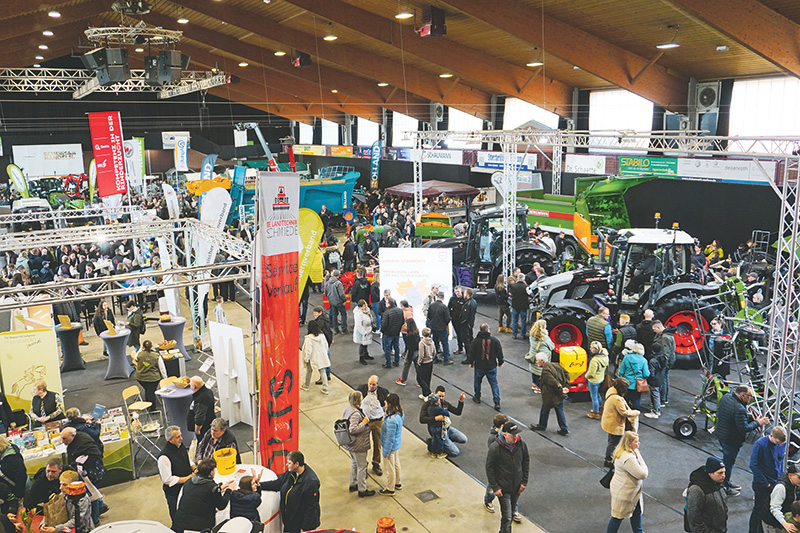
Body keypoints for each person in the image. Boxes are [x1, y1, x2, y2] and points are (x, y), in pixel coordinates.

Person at [715, 385, 769, 496]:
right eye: (749, 396)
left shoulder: (726, 397)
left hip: (722, 434)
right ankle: (725, 487)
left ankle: (726, 482)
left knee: (726, 461)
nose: (750, 399)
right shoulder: (739, 408)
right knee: (728, 464)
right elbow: (744, 428)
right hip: (731, 440)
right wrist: (758, 423)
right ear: (742, 395)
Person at [258, 451, 321, 533]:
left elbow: (311, 508)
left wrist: (305, 528)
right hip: (291, 521)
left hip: (300, 525)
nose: (286, 465)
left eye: (289, 463)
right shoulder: (291, 473)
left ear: (297, 464)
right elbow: (278, 483)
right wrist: (260, 485)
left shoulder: (311, 482)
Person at [486, 421, 529, 533]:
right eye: (513, 435)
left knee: (509, 515)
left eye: (516, 434)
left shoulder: (521, 444)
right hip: (503, 488)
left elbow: (526, 462)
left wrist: (524, 482)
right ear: (505, 434)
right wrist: (495, 487)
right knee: (507, 517)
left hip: (517, 486)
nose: (516, 437)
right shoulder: (495, 448)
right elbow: (489, 468)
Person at [171, 458, 236, 533]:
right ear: (211, 472)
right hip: (199, 527)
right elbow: (221, 505)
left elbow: (201, 493)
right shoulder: (212, 488)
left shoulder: (189, 482)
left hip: (179, 524)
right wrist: (229, 490)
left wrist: (220, 488)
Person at [607, 431, 648, 533]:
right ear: (629, 443)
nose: (639, 443)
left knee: (636, 513)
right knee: (617, 517)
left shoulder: (621, 450)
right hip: (625, 494)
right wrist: (638, 454)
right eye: (636, 441)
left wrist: (636, 451)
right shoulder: (628, 458)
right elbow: (643, 474)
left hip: (631, 493)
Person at [749, 426, 788, 533]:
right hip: (763, 484)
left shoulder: (782, 443)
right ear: (771, 435)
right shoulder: (760, 444)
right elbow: (753, 465)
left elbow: (780, 461)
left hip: (776, 481)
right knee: (758, 511)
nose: (780, 445)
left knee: (769, 510)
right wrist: (766, 483)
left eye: (781, 443)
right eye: (777, 442)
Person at [158, 425, 195, 521]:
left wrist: (195, 468)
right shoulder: (164, 457)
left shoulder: (180, 445)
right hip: (174, 492)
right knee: (177, 517)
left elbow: (188, 460)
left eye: (180, 435)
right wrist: (188, 478)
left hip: (187, 487)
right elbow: (167, 480)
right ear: (170, 440)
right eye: (178, 437)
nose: (181, 438)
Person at [341, 391, 374, 497]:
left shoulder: (348, 409)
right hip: (358, 444)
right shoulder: (355, 413)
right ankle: (362, 489)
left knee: (354, 463)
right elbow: (352, 429)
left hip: (351, 444)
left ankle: (353, 483)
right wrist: (364, 423)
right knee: (362, 466)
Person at [601, 377, 639, 468]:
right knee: (613, 443)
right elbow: (624, 412)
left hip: (609, 421)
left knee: (611, 441)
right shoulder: (617, 399)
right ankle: (608, 459)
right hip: (615, 424)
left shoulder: (611, 391)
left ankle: (609, 456)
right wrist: (635, 412)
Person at [419, 386, 468, 456]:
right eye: (439, 396)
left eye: (442, 396)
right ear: (434, 394)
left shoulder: (444, 403)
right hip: (437, 431)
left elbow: (457, 412)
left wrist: (460, 401)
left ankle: (444, 441)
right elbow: (422, 419)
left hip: (447, 428)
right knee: (455, 452)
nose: (441, 398)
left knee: (464, 439)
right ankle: (433, 445)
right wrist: (435, 418)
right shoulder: (427, 405)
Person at [530, 353, 571, 436]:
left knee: (545, 409)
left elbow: (553, 382)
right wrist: (566, 386)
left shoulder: (545, 371)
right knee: (559, 410)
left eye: (537, 361)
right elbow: (566, 373)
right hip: (559, 396)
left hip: (551, 396)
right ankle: (564, 428)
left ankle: (542, 425)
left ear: (542, 361)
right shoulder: (555, 364)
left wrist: (560, 389)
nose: (536, 362)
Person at [685, 456, 729, 533]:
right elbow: (694, 518)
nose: (724, 475)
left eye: (724, 472)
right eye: (720, 473)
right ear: (710, 473)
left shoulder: (718, 483)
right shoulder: (697, 490)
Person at [357, 376, 389, 476]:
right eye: (370, 384)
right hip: (365, 421)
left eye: (373, 384)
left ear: (377, 385)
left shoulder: (383, 392)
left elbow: (388, 404)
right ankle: (364, 466)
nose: (371, 386)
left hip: (378, 421)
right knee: (363, 445)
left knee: (377, 443)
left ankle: (376, 464)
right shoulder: (361, 389)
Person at [469, 323, 504, 411]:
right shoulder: (494, 340)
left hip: (479, 366)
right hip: (491, 366)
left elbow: (471, 353)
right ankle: (497, 402)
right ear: (488, 330)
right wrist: (500, 362)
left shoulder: (475, 341)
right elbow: (499, 352)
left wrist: (471, 362)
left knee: (477, 381)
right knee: (494, 384)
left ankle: (477, 397)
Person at [379, 393, 404, 496]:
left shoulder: (391, 420)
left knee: (390, 468)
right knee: (396, 464)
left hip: (390, 447)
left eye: (386, 401)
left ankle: (390, 488)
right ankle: (398, 483)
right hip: (396, 445)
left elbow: (390, 438)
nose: (384, 402)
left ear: (389, 404)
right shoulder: (400, 413)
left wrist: (385, 452)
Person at [764, 463, 800, 532]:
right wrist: (785, 524)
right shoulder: (781, 488)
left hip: (783, 516)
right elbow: (774, 508)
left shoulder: (795, 484)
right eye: (799, 478)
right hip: (772, 523)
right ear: (790, 475)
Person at [300, 321, 330, 395]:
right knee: (322, 371)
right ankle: (325, 388)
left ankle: (306, 385)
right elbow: (326, 345)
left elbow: (308, 350)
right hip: (321, 356)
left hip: (312, 358)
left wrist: (306, 359)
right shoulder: (322, 336)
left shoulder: (309, 338)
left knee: (309, 371)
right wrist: (325, 353)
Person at [526, 320, 555, 394]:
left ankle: (534, 384)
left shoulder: (532, 336)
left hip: (534, 358)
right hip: (542, 359)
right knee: (541, 374)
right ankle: (539, 387)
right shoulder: (544, 338)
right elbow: (552, 346)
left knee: (534, 372)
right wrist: (547, 335)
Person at [619, 343, 650, 410]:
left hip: (626, 383)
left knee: (625, 400)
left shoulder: (626, 357)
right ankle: (634, 416)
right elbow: (646, 374)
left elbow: (621, 371)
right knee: (636, 400)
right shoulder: (643, 360)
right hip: (637, 385)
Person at [0, 436, 26, 514]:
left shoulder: (10, 458)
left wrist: (19, 495)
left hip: (15, 491)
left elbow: (20, 476)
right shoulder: (11, 449)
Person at [652, 320, 676, 406]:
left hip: (665, 362)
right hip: (666, 361)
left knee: (663, 380)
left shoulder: (665, 337)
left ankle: (663, 399)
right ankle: (663, 398)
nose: (654, 331)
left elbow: (666, 353)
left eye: (654, 330)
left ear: (659, 328)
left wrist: (662, 364)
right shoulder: (665, 335)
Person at [134, 339, 162, 408]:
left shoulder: (140, 355)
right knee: (151, 392)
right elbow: (162, 368)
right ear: (152, 346)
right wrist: (165, 377)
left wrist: (141, 349)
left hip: (141, 378)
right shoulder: (156, 355)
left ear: (143, 347)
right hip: (153, 378)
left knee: (148, 391)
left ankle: (148, 405)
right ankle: (152, 408)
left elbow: (135, 357)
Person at [643, 344, 668, 419]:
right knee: (657, 394)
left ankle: (656, 412)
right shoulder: (664, 357)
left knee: (655, 395)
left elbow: (652, 373)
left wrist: (650, 379)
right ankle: (657, 408)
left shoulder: (653, 361)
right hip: (661, 379)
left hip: (654, 381)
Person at [427, 291, 452, 364]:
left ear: (437, 297)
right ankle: (446, 359)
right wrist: (444, 324)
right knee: (445, 343)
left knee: (434, 343)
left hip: (433, 327)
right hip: (442, 328)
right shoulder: (444, 307)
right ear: (443, 297)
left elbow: (429, 316)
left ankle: (434, 358)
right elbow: (447, 319)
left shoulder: (432, 305)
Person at [586, 344, 610, 419]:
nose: (590, 348)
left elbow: (591, 373)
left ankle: (595, 413)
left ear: (595, 350)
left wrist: (586, 376)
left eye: (592, 348)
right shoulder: (605, 357)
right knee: (597, 394)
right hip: (600, 378)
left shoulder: (594, 360)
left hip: (593, 380)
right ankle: (600, 408)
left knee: (594, 397)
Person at [380, 297, 404, 369]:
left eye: (386, 303)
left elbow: (384, 324)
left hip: (388, 333)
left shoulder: (387, 312)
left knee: (387, 348)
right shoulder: (400, 310)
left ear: (389, 304)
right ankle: (396, 361)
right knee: (396, 347)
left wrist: (382, 330)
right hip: (396, 332)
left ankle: (388, 363)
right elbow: (402, 321)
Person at [457, 288, 477, 363]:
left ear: (468, 294)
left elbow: (465, 316)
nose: (463, 294)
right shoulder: (474, 302)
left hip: (466, 325)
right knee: (470, 339)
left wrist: (461, 323)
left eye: (464, 293)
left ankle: (469, 357)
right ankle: (472, 354)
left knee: (466, 341)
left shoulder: (467, 304)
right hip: (470, 324)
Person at [397, 318, 419, 387]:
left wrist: (409, 357)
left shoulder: (409, 335)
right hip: (417, 351)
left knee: (406, 366)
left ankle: (403, 380)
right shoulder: (416, 332)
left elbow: (410, 347)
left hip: (411, 353)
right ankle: (420, 381)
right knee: (417, 367)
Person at [324, 270, 348, 334]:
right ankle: (344, 329)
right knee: (343, 314)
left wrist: (330, 298)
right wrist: (344, 300)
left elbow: (326, 292)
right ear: (338, 275)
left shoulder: (327, 283)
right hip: (339, 302)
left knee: (334, 315)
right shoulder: (338, 283)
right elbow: (341, 294)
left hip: (332, 301)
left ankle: (336, 329)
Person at [353, 299, 375, 365]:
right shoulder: (358, 314)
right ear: (360, 306)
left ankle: (366, 354)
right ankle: (361, 357)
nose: (366, 306)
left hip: (367, 330)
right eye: (364, 305)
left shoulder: (366, 310)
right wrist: (364, 332)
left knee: (366, 344)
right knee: (362, 345)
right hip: (362, 332)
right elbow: (358, 325)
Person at [417, 328, 436, 399]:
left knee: (420, 378)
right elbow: (434, 352)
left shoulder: (421, 343)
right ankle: (425, 394)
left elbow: (421, 355)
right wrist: (431, 358)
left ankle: (428, 393)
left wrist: (419, 362)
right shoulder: (432, 341)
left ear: (422, 334)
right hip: (430, 362)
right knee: (427, 379)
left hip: (424, 363)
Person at [509, 274, 528, 339]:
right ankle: (523, 335)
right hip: (523, 306)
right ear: (523, 279)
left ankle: (514, 334)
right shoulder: (525, 286)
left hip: (515, 305)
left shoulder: (513, 286)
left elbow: (511, 293)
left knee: (514, 320)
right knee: (523, 321)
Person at [448, 286, 466, 355]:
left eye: (458, 292)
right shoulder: (452, 299)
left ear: (461, 290)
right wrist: (450, 317)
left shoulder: (464, 298)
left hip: (463, 320)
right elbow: (449, 308)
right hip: (455, 320)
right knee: (458, 334)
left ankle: (468, 349)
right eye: (455, 292)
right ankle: (460, 348)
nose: (457, 293)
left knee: (465, 335)